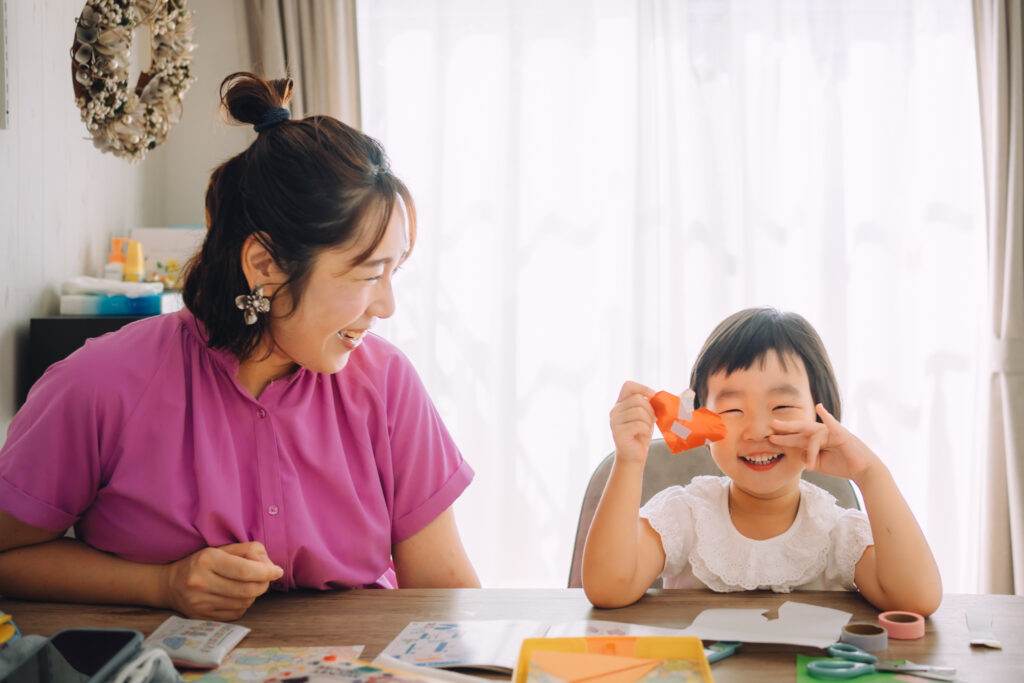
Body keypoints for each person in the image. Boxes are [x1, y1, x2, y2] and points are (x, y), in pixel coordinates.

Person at [0, 73, 480, 621]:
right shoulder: (98, 386)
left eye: (394, 273)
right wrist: (162, 585)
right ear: (265, 266)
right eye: (368, 275)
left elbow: (446, 596)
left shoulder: (388, 384)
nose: (387, 306)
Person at [582, 307, 942, 616]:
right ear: (700, 424)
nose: (756, 430)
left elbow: (915, 600)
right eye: (733, 409)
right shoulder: (686, 516)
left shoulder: (833, 530)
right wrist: (630, 460)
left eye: (782, 407)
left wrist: (871, 474)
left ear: (822, 419)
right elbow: (608, 589)